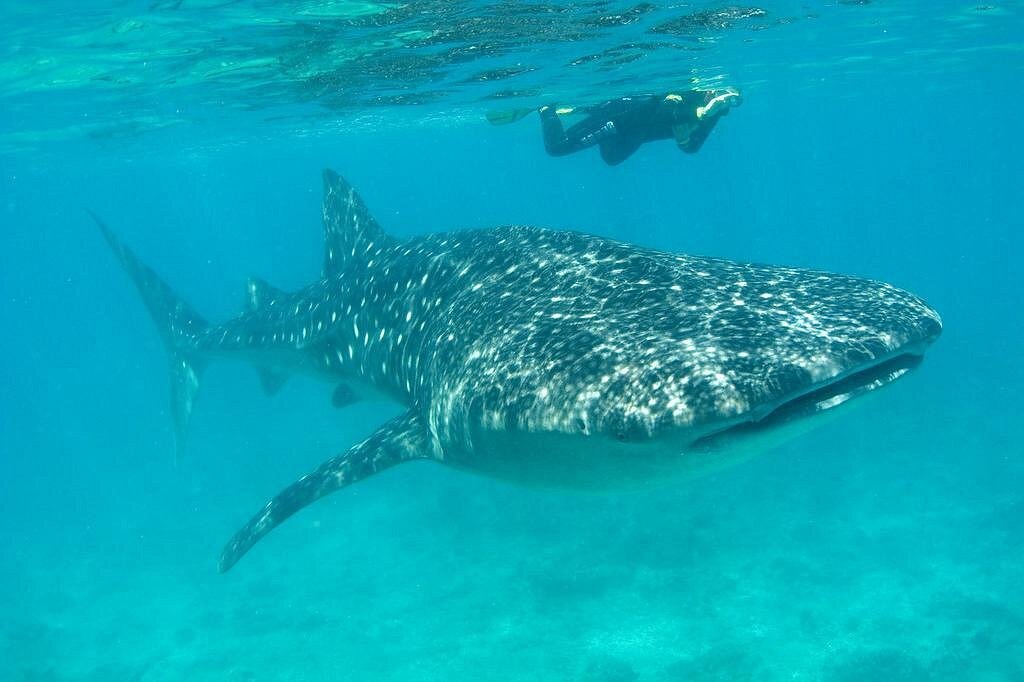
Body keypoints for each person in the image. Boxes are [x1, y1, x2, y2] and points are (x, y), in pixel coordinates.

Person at [535, 89, 741, 166]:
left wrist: (684, 139)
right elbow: (659, 108)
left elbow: (693, 147)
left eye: (721, 99)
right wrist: (697, 114)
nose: (714, 98)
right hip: (618, 121)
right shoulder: (689, 94)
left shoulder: (712, 114)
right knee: (556, 147)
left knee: (611, 159)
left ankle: (593, 111)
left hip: (635, 133)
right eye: (717, 95)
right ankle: (546, 109)